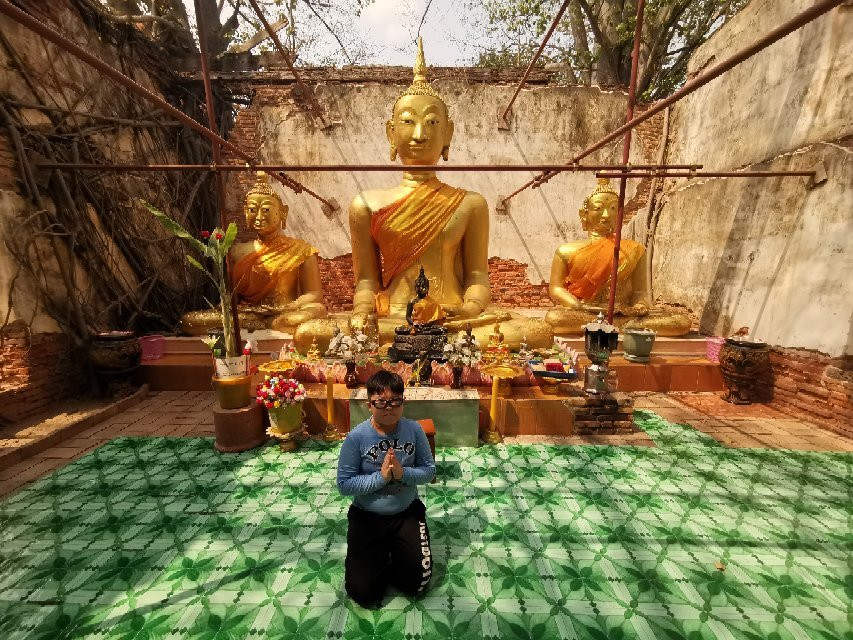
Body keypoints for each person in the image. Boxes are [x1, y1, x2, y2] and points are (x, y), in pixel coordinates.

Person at [337, 370, 436, 608]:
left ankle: (395, 548)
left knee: (418, 584)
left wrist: (403, 474)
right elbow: (344, 484)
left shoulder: (414, 431)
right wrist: (380, 478)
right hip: (367, 516)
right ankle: (383, 551)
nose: (388, 408)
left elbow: (430, 470)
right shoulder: (356, 438)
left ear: (404, 402)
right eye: (380, 402)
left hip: (406, 512)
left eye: (395, 402)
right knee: (363, 594)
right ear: (369, 404)